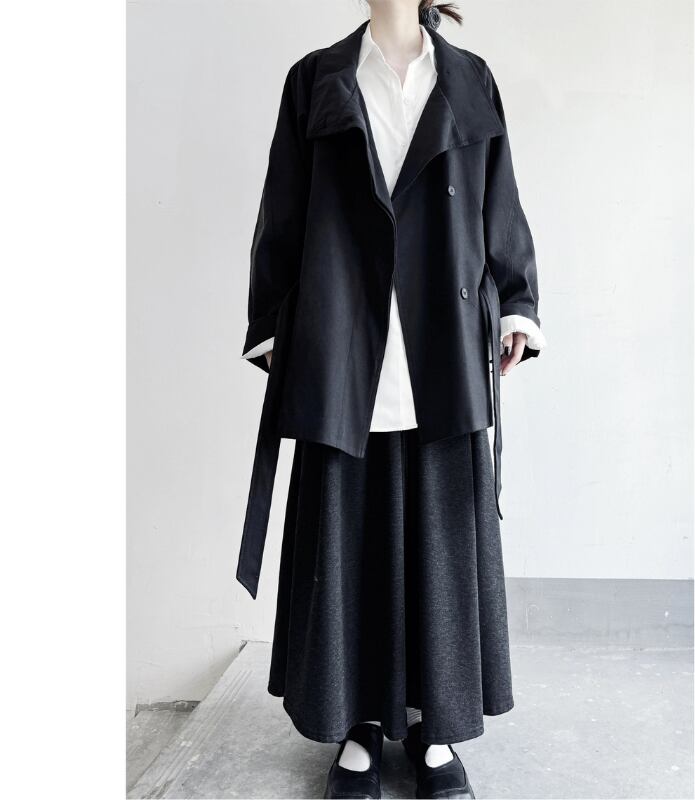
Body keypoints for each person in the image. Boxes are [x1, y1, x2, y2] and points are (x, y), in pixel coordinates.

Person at [236, 1, 546, 797]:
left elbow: (499, 199)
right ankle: (361, 726)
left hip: (441, 342)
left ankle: (436, 728)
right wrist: (273, 324)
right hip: (345, 344)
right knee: (350, 544)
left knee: (440, 546)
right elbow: (283, 207)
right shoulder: (316, 80)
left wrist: (517, 303)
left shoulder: (470, 79)